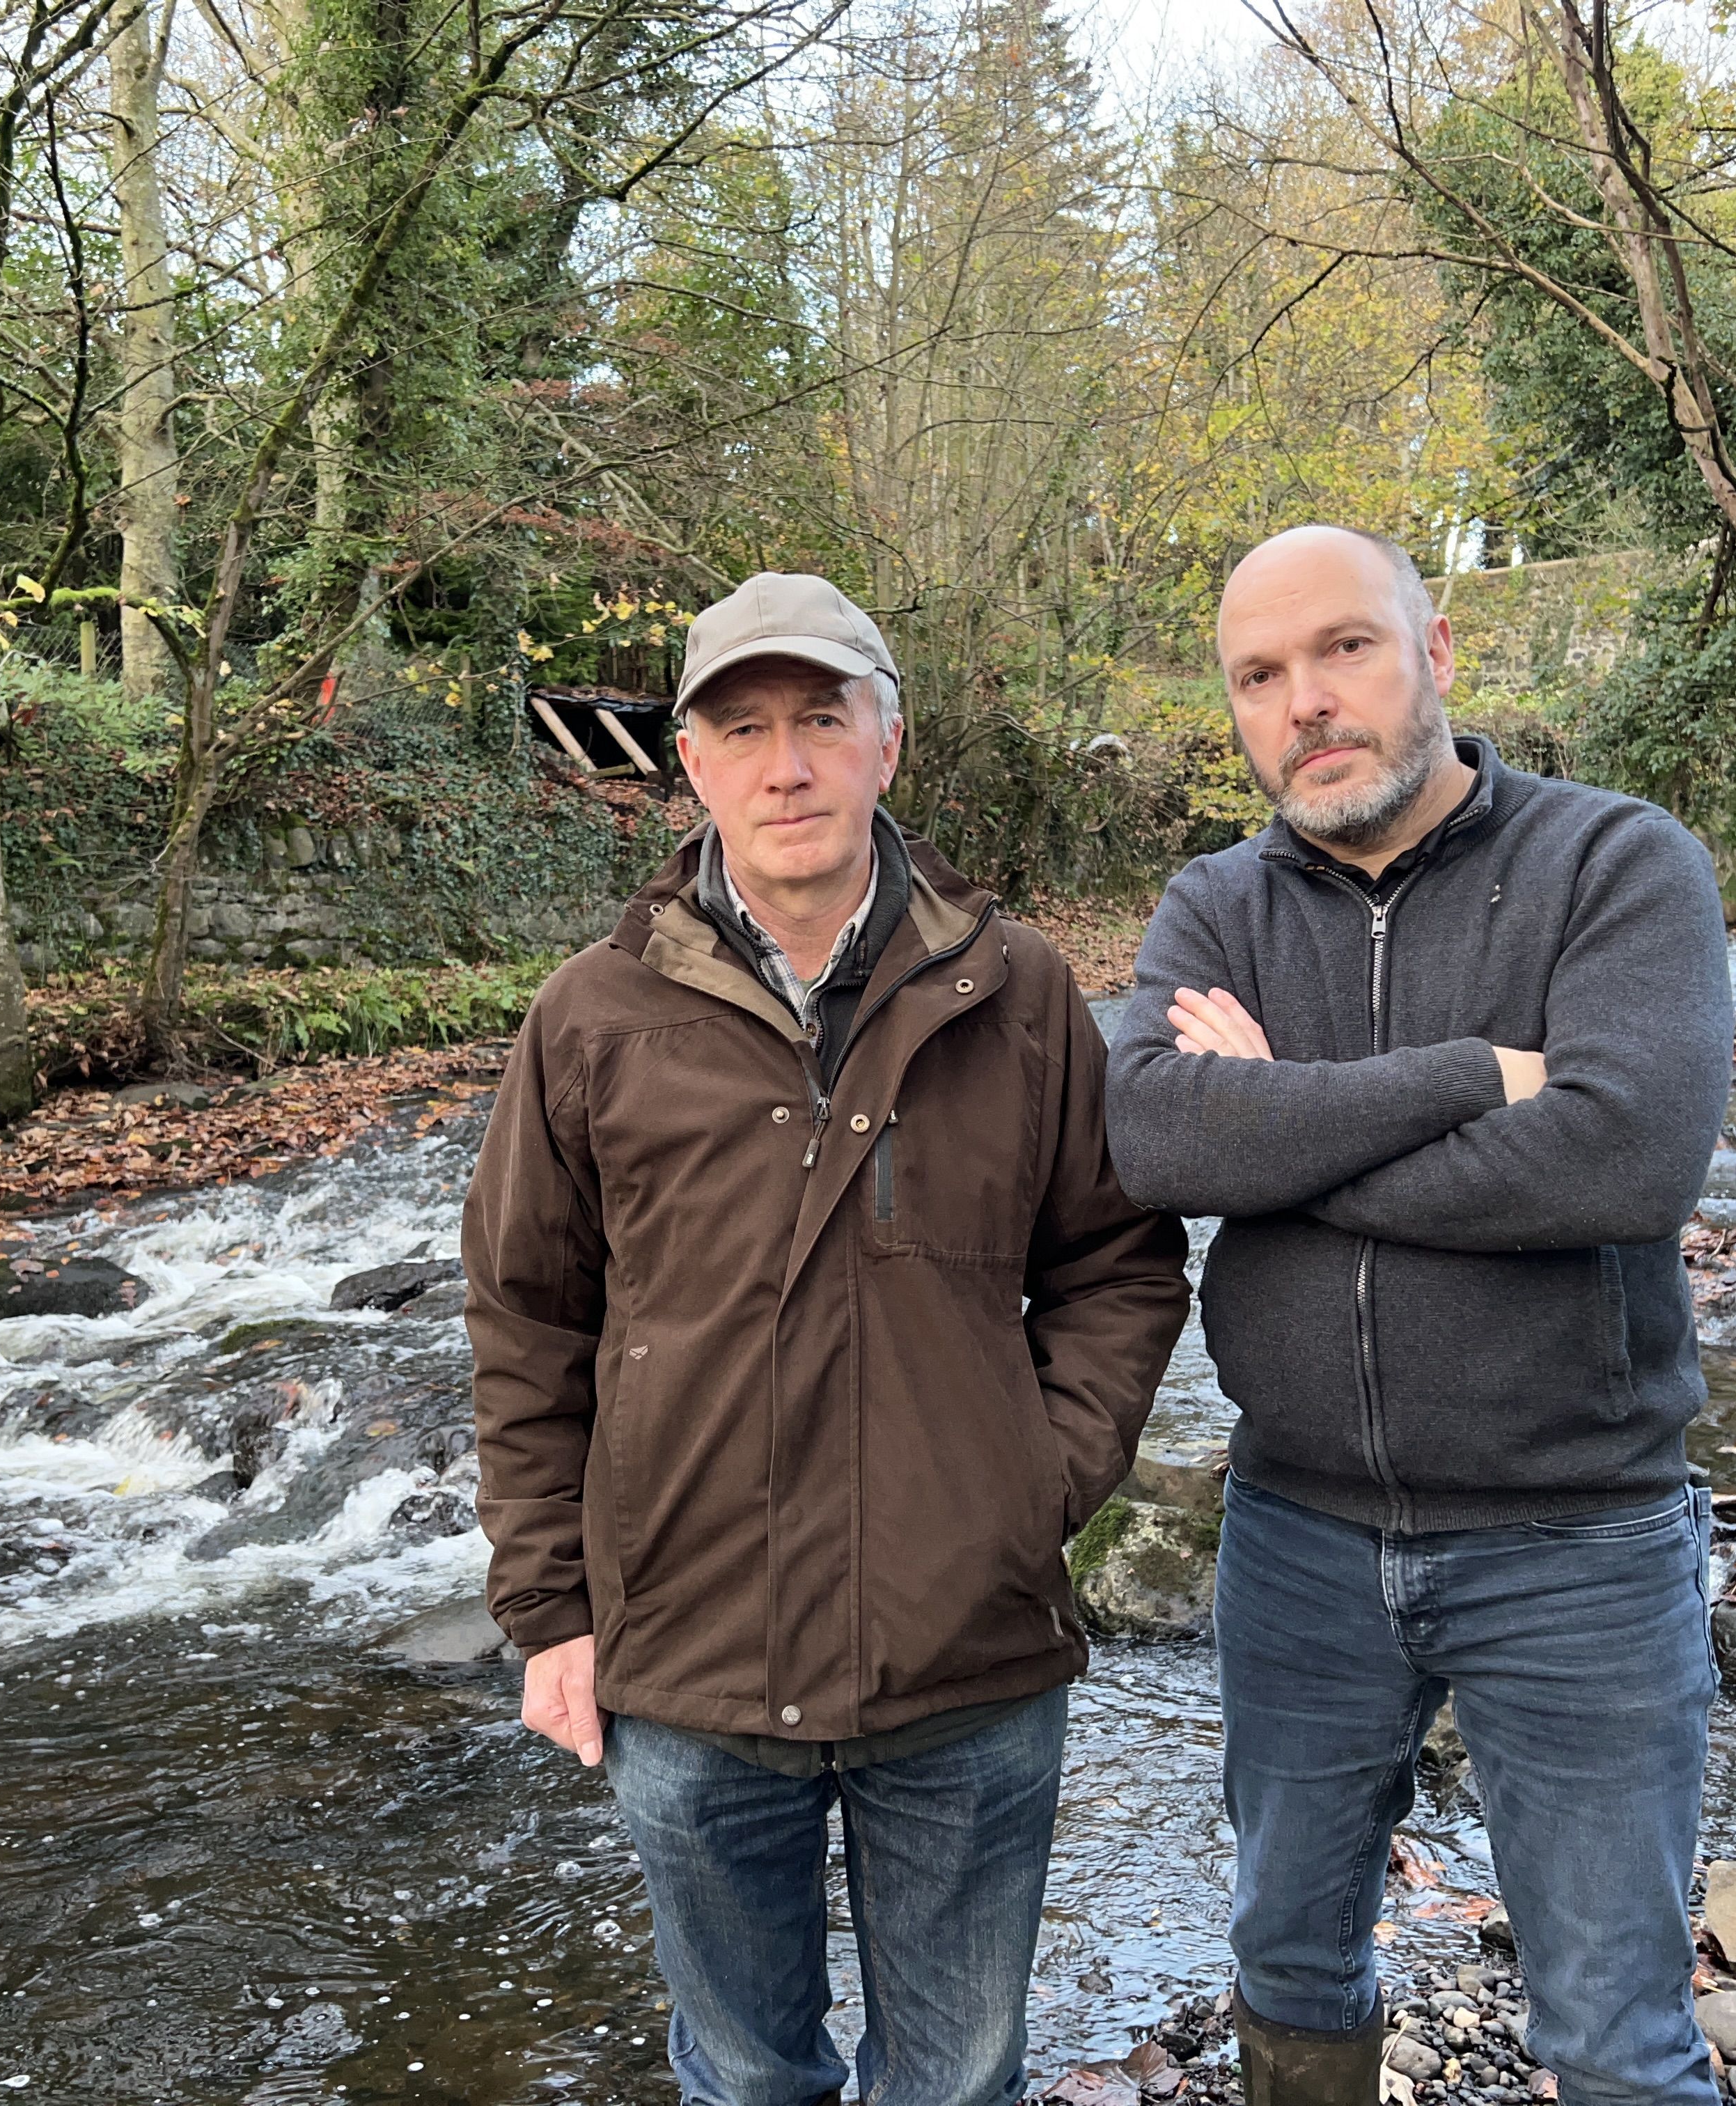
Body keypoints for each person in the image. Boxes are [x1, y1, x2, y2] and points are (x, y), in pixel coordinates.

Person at [464, 571, 1192, 2106]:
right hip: (687, 1662)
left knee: (959, 2080)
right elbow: (529, 1324)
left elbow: (1118, 1268)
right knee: (744, 2079)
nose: (785, 765)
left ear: (888, 743)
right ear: (691, 762)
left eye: (821, 719)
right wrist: (549, 1613)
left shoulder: (1022, 995)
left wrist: (1029, 1488)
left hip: (967, 1658)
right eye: (742, 729)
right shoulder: (590, 1018)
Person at [1106, 526, 1733, 2106]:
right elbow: (1157, 1141)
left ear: (1435, 650)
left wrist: (1286, 1133)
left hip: (1579, 1541)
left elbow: (1622, 1158)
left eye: (1346, 649)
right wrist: (1468, 1078)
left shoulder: (1616, 862)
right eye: (1260, 676)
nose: (1306, 702)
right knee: (1290, 1962)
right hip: (1299, 1539)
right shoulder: (1217, 904)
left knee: (1615, 2034)